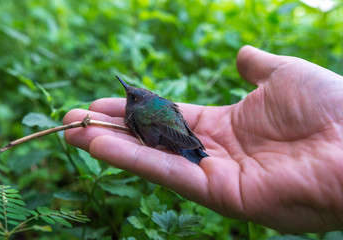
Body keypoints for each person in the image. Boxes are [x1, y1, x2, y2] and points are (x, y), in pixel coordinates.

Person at [63, 45, 343, 233]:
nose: (129, 96)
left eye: (132, 96)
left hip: (173, 133)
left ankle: (191, 147)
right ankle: (192, 146)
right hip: (180, 129)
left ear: (139, 101)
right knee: (183, 138)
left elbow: (152, 138)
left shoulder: (138, 113)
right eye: (130, 95)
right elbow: (174, 122)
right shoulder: (152, 105)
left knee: (178, 139)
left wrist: (170, 136)